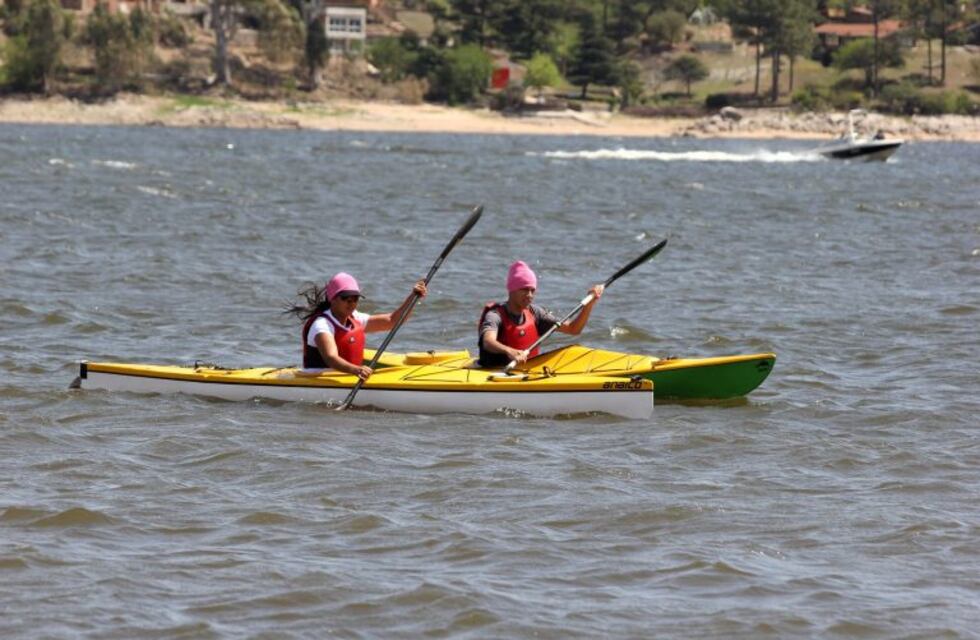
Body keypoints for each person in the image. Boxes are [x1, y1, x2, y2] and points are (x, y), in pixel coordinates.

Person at [286, 272, 426, 380]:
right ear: (332, 299)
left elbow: (392, 321)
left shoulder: (355, 318)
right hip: (319, 380)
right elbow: (331, 358)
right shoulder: (322, 325)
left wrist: (413, 297)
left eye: (355, 298)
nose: (351, 302)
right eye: (346, 298)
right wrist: (357, 370)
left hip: (347, 378)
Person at [477, 260, 603, 368]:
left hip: (527, 372)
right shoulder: (495, 315)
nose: (529, 295)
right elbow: (488, 341)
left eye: (532, 290)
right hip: (495, 373)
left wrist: (589, 305)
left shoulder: (535, 313)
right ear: (512, 290)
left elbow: (573, 329)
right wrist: (509, 351)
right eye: (525, 289)